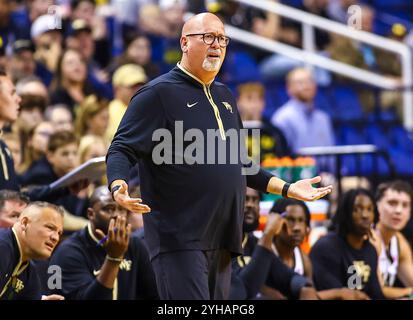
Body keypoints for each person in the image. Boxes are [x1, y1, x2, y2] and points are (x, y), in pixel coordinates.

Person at [106, 12, 332, 300]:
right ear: (185, 43)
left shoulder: (225, 96)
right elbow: (121, 147)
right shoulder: (157, 94)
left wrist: (287, 188)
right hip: (180, 237)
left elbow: (241, 165)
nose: (217, 45)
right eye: (208, 37)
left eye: (222, 39)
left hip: (224, 237)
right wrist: (117, 184)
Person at [49, 186, 159, 300]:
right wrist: (113, 258)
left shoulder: (135, 245)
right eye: (109, 209)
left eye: (122, 209)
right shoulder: (68, 251)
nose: (117, 215)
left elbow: (152, 294)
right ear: (91, 214)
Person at [270, 197, 370, 300]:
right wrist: (339, 293)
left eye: (301, 221)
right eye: (290, 220)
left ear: (307, 227)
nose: (297, 228)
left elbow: (311, 296)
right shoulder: (265, 253)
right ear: (275, 222)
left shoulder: (304, 260)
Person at [230, 187, 318, 300]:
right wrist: (268, 233)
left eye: (255, 200)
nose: (250, 205)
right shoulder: (218, 244)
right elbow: (241, 292)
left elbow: (288, 277)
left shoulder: (254, 242)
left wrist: (305, 287)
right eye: (244, 199)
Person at [310, 188, 384, 299]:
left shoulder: (370, 250)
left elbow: (377, 295)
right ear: (345, 213)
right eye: (357, 209)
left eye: (370, 209)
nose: (365, 215)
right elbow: (336, 295)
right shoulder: (325, 248)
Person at [0, 202, 64, 300]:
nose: (56, 238)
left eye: (59, 233)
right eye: (50, 228)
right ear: (24, 223)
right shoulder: (2, 247)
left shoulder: (28, 268)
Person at [270, 67, 335, 153]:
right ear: (289, 88)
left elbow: (332, 158)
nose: (306, 86)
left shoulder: (323, 118)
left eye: (309, 81)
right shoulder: (282, 118)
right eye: (300, 83)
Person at [374, 180, 413, 299]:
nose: (398, 211)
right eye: (392, 203)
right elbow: (377, 290)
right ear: (377, 205)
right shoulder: (370, 237)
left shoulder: (400, 241)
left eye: (405, 205)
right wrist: (409, 292)